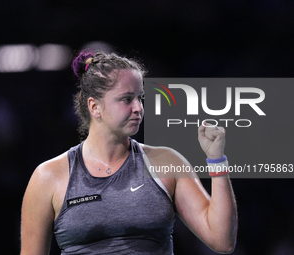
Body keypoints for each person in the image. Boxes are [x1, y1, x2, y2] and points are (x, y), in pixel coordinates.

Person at [20, 51, 238, 255]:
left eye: (140, 98)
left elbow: (222, 240)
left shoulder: (166, 162)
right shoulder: (48, 177)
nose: (139, 108)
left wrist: (217, 159)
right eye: (126, 99)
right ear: (94, 107)